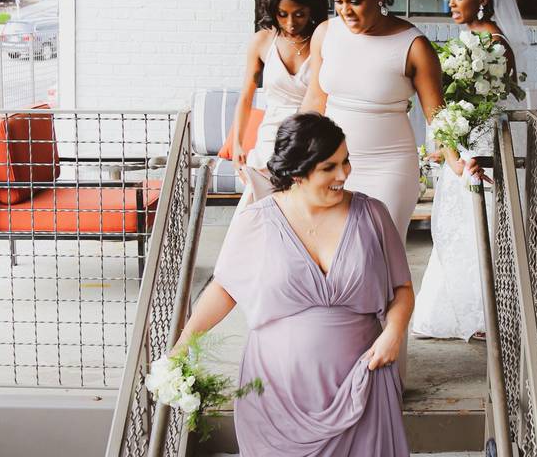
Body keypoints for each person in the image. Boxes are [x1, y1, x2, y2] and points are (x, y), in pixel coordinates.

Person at [173, 113, 413, 456]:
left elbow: (402, 288)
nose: (343, 174)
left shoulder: (372, 214)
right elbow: (225, 288)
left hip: (362, 385)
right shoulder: (257, 221)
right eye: (329, 167)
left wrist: (393, 333)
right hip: (277, 395)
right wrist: (184, 342)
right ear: (298, 173)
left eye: (346, 162)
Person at [301, 0, 474, 244]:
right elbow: (314, 101)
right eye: (339, 2)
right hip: (330, 164)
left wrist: (458, 163)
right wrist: (292, 153)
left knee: (380, 257)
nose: (345, 12)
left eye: (355, 1)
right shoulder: (325, 33)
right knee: (333, 256)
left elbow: (437, 116)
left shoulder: (414, 45)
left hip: (388, 169)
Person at [411, 0, 527, 341]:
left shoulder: (495, 44)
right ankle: (451, 309)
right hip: (459, 139)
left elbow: (489, 99)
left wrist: (462, 139)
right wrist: (444, 142)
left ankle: (481, 314)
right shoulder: (464, 41)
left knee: (480, 225)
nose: (452, 5)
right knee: (452, 225)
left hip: (481, 142)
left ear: (482, 0)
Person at [229, 0, 329, 214]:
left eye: (299, 14)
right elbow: (246, 96)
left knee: (303, 212)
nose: (290, 23)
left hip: (314, 135)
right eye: (282, 14)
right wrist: (238, 144)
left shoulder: (325, 38)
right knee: (260, 208)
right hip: (270, 138)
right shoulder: (262, 41)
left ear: (312, 8)